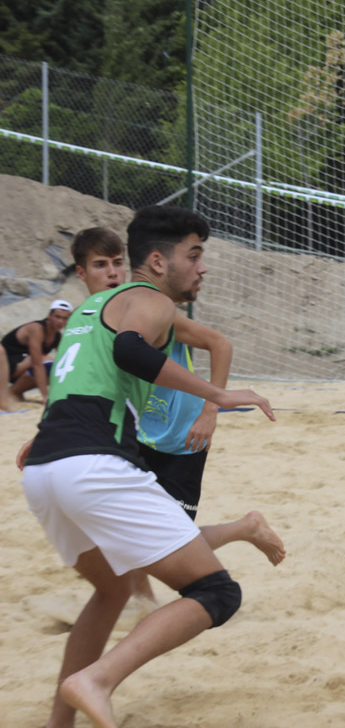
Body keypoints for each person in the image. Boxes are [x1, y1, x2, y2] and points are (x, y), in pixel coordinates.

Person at [17, 205, 276, 728]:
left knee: (113, 587)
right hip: (93, 465)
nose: (203, 268)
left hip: (44, 470)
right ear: (157, 262)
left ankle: (58, 724)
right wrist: (216, 395)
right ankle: (97, 680)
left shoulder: (94, 308)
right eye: (195, 255)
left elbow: (87, 375)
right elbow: (131, 353)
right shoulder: (150, 300)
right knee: (216, 593)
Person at [69, 227, 285, 606]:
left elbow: (220, 342)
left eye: (118, 263)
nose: (113, 272)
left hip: (180, 434)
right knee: (131, 534)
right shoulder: (91, 321)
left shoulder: (149, 307)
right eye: (101, 265)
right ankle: (141, 601)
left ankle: (246, 527)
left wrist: (210, 410)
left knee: (171, 538)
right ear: (80, 273)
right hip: (134, 433)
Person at [1, 299, 72, 410]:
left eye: (64, 318)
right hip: (6, 364)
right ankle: (11, 392)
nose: (60, 322)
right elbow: (37, 363)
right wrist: (45, 396)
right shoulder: (36, 328)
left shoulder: (57, 336)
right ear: (49, 315)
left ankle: (15, 391)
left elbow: (64, 362)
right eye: (57, 317)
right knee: (42, 361)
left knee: (56, 366)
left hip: (21, 366)